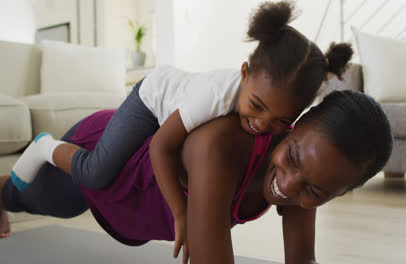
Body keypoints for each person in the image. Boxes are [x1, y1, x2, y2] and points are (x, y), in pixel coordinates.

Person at [9, 1, 353, 257]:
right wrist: (181, 213)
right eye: (258, 107)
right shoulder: (215, 97)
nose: (263, 125)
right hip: (152, 98)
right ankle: (44, 147)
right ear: (244, 74)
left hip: (176, 114)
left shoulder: (279, 121)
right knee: (96, 173)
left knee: (64, 201)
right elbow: (161, 146)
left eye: (279, 120)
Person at [0, 89, 393, 263]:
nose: (288, 185)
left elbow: (301, 260)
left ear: (336, 194)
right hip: (105, 159)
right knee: (27, 200)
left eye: (315, 191)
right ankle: (23, 166)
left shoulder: (302, 175)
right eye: (292, 157)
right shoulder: (220, 146)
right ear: (296, 125)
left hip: (129, 215)